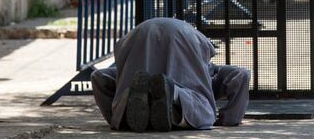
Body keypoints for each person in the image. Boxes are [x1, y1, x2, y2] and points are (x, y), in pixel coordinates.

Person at [91, 18, 250, 132]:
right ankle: (173, 92)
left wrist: (115, 118)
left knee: (132, 87)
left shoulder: (210, 71)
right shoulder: (212, 73)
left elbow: (98, 77)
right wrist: (228, 119)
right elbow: (242, 75)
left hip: (139, 33)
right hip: (184, 35)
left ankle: (126, 108)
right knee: (202, 112)